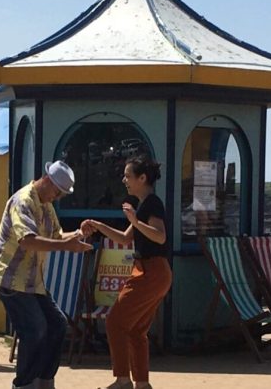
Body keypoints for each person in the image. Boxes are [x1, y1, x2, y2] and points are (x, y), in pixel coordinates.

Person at [0, 160, 92, 389]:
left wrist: (78, 234)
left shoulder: (46, 204)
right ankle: (24, 384)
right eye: (58, 191)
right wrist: (68, 247)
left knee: (57, 324)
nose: (58, 196)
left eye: (62, 193)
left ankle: (44, 382)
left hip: (31, 283)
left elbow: (56, 236)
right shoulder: (23, 200)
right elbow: (27, 240)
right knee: (35, 329)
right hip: (9, 279)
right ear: (46, 180)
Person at [81, 156, 171, 389]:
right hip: (152, 272)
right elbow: (124, 238)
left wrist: (136, 220)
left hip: (151, 272)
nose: (124, 180)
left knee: (114, 321)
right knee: (136, 330)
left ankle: (122, 380)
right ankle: (142, 384)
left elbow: (160, 236)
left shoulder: (152, 203)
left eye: (128, 176)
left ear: (142, 178)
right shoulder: (143, 205)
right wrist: (98, 225)